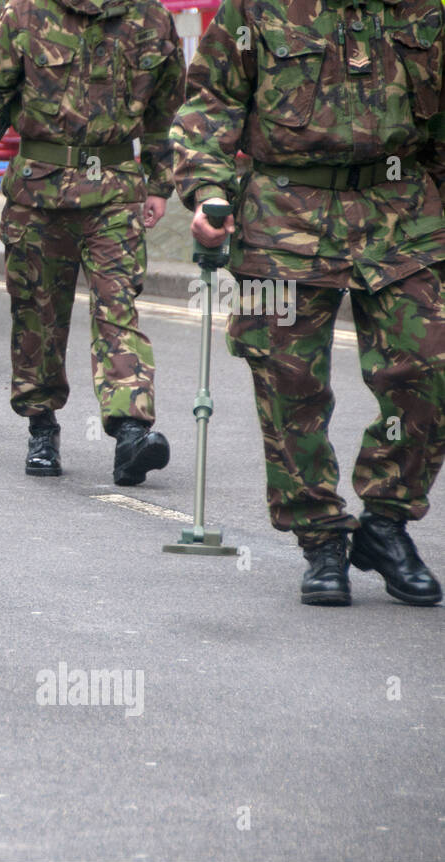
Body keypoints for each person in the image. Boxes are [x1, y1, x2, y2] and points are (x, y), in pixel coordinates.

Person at [172, 0, 445, 607]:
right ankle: (320, 534)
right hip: (284, 213)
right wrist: (208, 191)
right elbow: (210, 102)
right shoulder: (257, 8)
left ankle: (386, 521)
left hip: (401, 213)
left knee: (429, 365)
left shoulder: (422, 9)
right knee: (289, 383)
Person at [0, 0, 184, 484]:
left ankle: (131, 430)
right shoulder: (24, 13)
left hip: (115, 192)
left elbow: (165, 109)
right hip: (38, 194)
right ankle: (42, 425)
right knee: (37, 315)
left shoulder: (150, 17)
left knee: (117, 307)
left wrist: (160, 182)